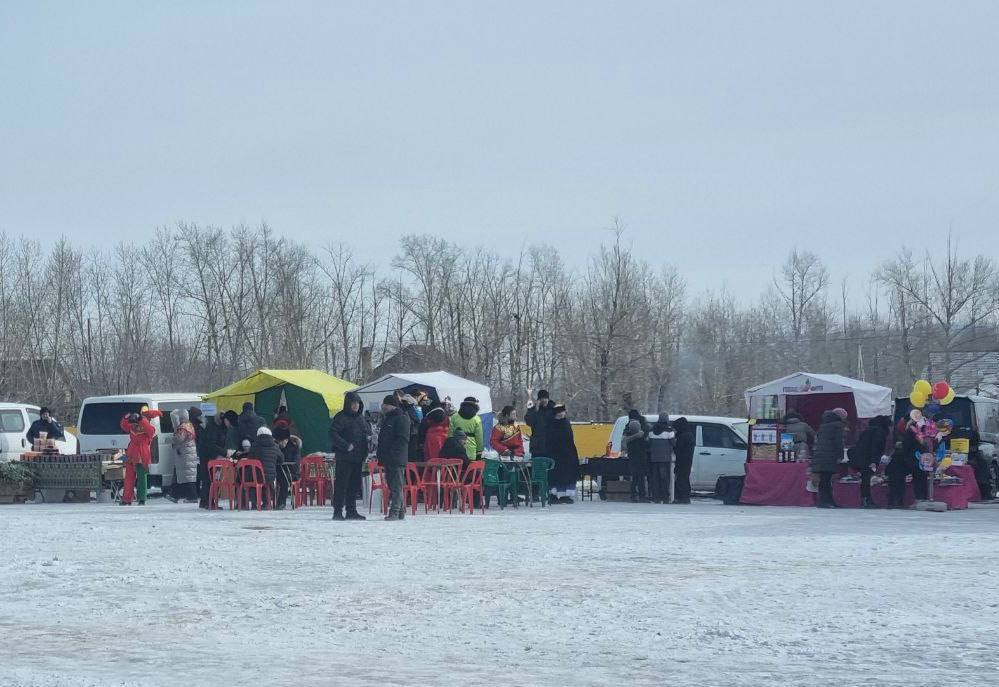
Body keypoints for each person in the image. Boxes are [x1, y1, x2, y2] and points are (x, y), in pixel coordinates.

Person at [328, 391, 370, 521]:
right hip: (344, 458)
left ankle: (351, 510)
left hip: (358, 458)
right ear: (348, 404)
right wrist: (345, 445)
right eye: (353, 403)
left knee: (354, 485)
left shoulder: (361, 418)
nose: (356, 406)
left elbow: (365, 434)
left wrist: (367, 447)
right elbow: (333, 434)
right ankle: (338, 511)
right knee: (341, 485)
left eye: (358, 403)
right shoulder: (341, 417)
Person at [377, 395, 411, 521]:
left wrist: (392, 452)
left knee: (396, 486)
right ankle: (400, 511)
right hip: (389, 458)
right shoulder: (388, 419)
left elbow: (403, 439)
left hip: (396, 458)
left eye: (386, 404)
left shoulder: (401, 418)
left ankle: (395, 511)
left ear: (393, 405)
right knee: (392, 485)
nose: (383, 407)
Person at [119, 409, 161, 506]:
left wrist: (141, 419)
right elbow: (124, 426)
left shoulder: (149, 429)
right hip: (134, 454)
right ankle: (127, 499)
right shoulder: (133, 427)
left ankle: (139, 498)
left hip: (139, 454)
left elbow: (150, 430)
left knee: (141, 478)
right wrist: (126, 417)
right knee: (130, 478)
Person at [886, 416, 929, 508]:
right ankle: (922, 498)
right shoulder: (923, 430)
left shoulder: (910, 430)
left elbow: (907, 446)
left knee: (900, 481)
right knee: (920, 478)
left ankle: (897, 501)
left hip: (909, 459)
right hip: (919, 458)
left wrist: (901, 447)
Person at [849, 415, 891, 508]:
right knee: (866, 479)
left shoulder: (866, 431)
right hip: (869, 459)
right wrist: (873, 461)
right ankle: (867, 499)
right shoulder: (879, 432)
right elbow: (876, 447)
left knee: (865, 479)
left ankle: (865, 498)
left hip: (861, 458)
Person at [812, 408, 848, 508]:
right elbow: (838, 442)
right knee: (827, 480)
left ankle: (824, 501)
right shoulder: (838, 426)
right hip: (830, 456)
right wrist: (840, 455)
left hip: (820, 455)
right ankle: (827, 501)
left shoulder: (823, 425)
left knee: (824, 480)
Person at [191, 407, 225, 509]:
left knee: (207, 479)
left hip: (204, 454)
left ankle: (205, 501)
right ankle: (210, 502)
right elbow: (212, 444)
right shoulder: (212, 427)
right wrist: (224, 452)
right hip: (211, 456)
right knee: (211, 479)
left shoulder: (204, 424)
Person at [547, 403, 579, 504]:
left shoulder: (566, 423)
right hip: (555, 453)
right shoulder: (551, 424)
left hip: (568, 453)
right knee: (556, 475)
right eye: (559, 413)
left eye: (562, 412)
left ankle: (566, 495)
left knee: (567, 475)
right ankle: (554, 495)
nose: (561, 414)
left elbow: (570, 438)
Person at [168, 409, 199, 503]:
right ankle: (175, 495)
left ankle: (192, 497)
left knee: (187, 476)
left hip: (185, 453)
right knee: (185, 475)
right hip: (189, 452)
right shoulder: (189, 425)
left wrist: (172, 438)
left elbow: (179, 439)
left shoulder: (183, 427)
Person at [249, 426, 283, 508]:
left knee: (250, 479)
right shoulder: (275, 446)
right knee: (268, 483)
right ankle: (266, 503)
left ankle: (254, 504)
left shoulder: (254, 446)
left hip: (257, 476)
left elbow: (250, 459)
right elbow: (281, 459)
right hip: (271, 477)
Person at [648, 413, 675, 504]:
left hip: (654, 458)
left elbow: (649, 443)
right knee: (665, 479)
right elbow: (673, 443)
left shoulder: (652, 430)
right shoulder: (669, 430)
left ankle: (656, 497)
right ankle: (665, 497)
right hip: (665, 458)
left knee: (655, 479)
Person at [273, 427, 301, 510]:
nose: (281, 443)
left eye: (283, 441)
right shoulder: (275, 447)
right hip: (278, 472)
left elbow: (296, 464)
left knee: (284, 480)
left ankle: (281, 503)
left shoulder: (294, 447)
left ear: (287, 439)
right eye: (279, 441)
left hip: (291, 473)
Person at [449, 396, 484, 463]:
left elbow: (450, 434)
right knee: (469, 471)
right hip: (471, 451)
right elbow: (479, 437)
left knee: (455, 471)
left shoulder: (454, 417)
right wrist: (479, 452)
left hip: (455, 449)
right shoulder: (477, 419)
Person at [623, 419, 649, 502]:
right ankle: (642, 496)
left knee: (634, 479)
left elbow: (624, 446)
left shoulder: (628, 438)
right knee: (641, 479)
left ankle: (633, 495)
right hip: (641, 460)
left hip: (632, 460)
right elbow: (647, 446)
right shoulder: (641, 438)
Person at [671, 417, 695, 504]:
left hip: (682, 460)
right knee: (685, 478)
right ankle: (685, 497)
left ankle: (681, 497)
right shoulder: (689, 435)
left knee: (681, 479)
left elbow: (678, 449)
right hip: (687, 460)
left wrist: (674, 445)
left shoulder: (683, 436)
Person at [525, 390, 554, 457]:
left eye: (545, 398)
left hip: (551, 445)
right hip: (537, 447)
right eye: (541, 399)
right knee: (538, 466)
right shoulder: (533, 410)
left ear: (548, 399)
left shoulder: (553, 409)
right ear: (539, 400)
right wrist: (536, 410)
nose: (544, 400)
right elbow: (529, 422)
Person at [400, 394, 421, 461]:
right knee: (411, 455)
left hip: (407, 435)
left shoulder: (402, 409)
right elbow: (417, 420)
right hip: (412, 434)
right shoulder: (411, 409)